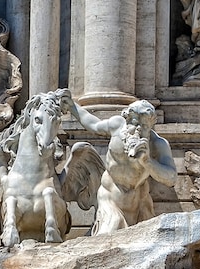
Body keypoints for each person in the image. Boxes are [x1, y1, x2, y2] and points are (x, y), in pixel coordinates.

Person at [66, 93, 176, 235]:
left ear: (151, 124)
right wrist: (72, 106)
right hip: (110, 198)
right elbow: (93, 124)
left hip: (139, 203)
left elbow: (171, 178)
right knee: (107, 237)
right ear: (127, 119)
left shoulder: (157, 144)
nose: (136, 129)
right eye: (133, 123)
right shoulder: (117, 126)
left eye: (143, 126)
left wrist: (147, 162)